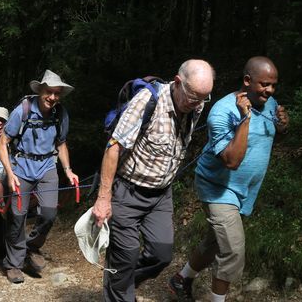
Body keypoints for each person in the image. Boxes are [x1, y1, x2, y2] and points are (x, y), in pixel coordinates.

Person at [168, 56, 289, 302]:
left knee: (215, 243)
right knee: (233, 250)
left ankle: (181, 279)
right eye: (264, 84)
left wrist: (283, 126)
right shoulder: (223, 111)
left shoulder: (269, 102)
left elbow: (271, 133)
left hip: (245, 190)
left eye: (273, 85)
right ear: (247, 81)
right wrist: (245, 118)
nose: (270, 90)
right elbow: (232, 161)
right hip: (218, 188)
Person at [92, 59, 215, 302]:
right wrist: (103, 198)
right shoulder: (147, 102)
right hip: (127, 191)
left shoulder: (196, 106)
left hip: (160, 195)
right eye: (193, 96)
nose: (198, 103)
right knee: (125, 256)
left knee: (162, 255)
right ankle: (121, 289)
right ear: (178, 82)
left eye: (204, 98)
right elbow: (113, 147)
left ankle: (121, 281)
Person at [0, 69, 79, 284]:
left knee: (50, 213)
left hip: (47, 167)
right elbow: (2, 143)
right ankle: (13, 263)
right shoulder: (22, 110)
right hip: (21, 167)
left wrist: (68, 169)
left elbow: (61, 144)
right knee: (17, 215)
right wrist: (9, 173)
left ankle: (31, 247)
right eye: (49, 92)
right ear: (40, 90)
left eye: (57, 93)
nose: (52, 97)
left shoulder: (61, 114)